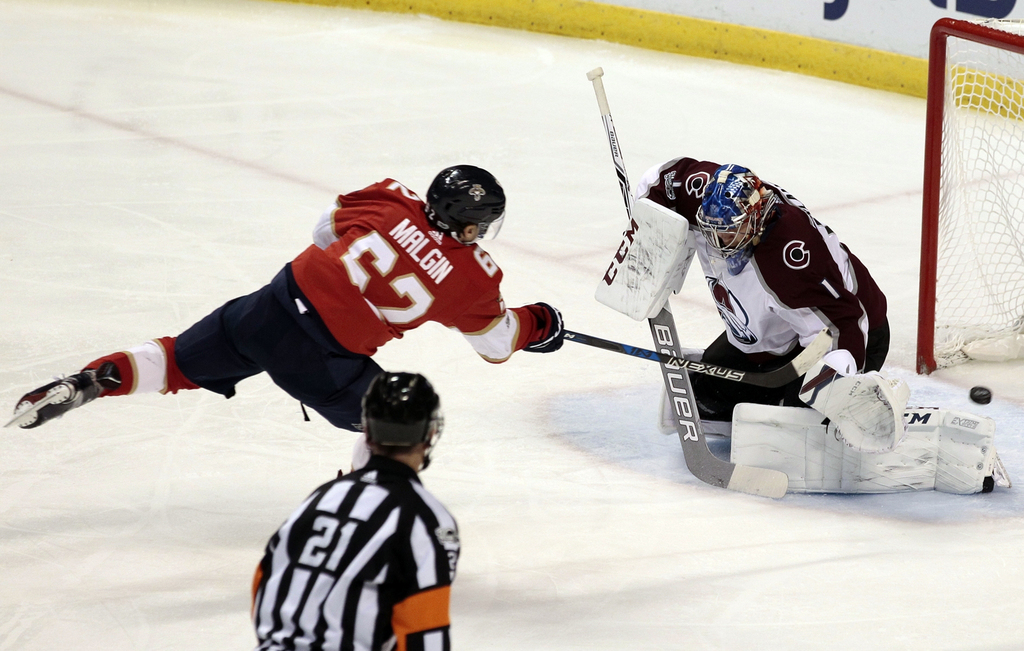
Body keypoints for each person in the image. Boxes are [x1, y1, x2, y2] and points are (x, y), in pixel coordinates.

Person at [6, 165, 565, 432]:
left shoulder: (391, 201)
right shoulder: (471, 276)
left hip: (268, 308)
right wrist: (540, 323)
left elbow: (324, 231)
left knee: (176, 359)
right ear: (471, 226)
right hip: (324, 362)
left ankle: (92, 379)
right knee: (406, 425)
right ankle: (362, 520)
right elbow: (496, 344)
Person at [639, 158, 891, 439]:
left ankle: (853, 411)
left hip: (853, 336)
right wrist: (646, 237)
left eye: (728, 232)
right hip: (777, 333)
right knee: (704, 396)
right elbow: (660, 181)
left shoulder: (790, 259)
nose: (717, 242)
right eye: (710, 230)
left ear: (756, 218)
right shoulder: (707, 196)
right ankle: (774, 400)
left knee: (800, 422)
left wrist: (836, 388)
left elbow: (846, 322)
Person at [252, 371, 459, 651]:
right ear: (430, 433)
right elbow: (425, 635)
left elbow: (266, 577)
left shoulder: (322, 496)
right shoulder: (426, 520)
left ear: (367, 432)